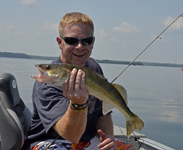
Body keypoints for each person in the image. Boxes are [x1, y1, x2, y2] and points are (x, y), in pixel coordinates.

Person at [22, 12, 138, 150]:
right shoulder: (46, 85)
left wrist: (107, 138)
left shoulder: (93, 68)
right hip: (50, 142)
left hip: (88, 140)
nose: (79, 46)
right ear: (60, 42)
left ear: (93, 43)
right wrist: (78, 104)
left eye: (86, 41)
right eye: (72, 40)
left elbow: (104, 112)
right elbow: (71, 136)